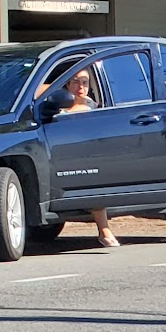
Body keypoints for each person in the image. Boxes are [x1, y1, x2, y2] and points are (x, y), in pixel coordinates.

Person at [56, 67, 117, 248]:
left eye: (85, 82)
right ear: (67, 84)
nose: (80, 87)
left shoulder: (93, 106)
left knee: (97, 175)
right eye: (75, 81)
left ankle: (104, 230)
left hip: (90, 155)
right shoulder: (60, 107)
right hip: (66, 154)